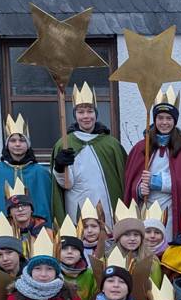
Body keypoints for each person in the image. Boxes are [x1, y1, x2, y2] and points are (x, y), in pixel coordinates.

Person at [124, 86, 181, 238]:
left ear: (175, 121)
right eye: (160, 118)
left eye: (169, 118)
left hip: (172, 207)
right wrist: (139, 189)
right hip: (146, 207)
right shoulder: (142, 147)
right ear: (154, 120)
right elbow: (131, 182)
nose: (164, 122)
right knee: (149, 241)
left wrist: (158, 182)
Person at [51, 82, 127, 226]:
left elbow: (124, 177)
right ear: (75, 115)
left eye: (90, 111)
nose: (86, 116)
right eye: (81, 112)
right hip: (77, 203)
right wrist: (60, 168)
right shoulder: (65, 144)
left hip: (106, 203)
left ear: (95, 114)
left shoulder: (111, 144)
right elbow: (67, 184)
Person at [0, 113, 51, 221]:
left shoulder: (41, 173)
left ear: (28, 144)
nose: (17, 144)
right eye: (13, 140)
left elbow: (47, 204)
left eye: (22, 140)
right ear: (7, 144)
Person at [102, 200, 162, 300]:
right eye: (127, 235)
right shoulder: (106, 259)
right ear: (118, 238)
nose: (132, 239)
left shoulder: (152, 261)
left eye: (136, 235)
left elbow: (156, 289)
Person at [57, 216, 97, 300]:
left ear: (81, 254)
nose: (69, 252)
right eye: (64, 249)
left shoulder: (89, 275)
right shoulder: (54, 274)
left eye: (74, 249)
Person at [4, 178, 44, 258]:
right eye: (15, 207)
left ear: (31, 209)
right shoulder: (3, 233)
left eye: (25, 205)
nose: (20, 209)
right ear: (9, 213)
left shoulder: (46, 232)